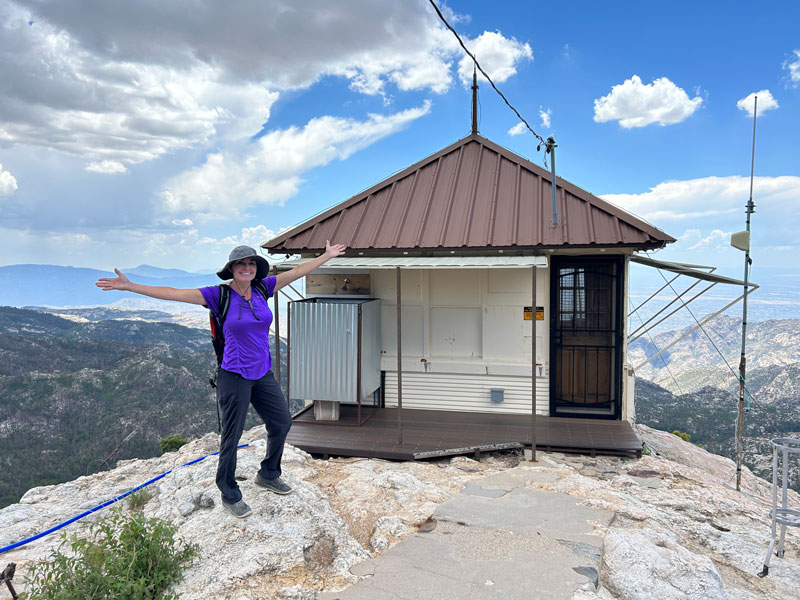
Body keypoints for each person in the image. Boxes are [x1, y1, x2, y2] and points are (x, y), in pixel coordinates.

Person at [96, 241, 346, 518]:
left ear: (256, 269)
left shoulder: (264, 288)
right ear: (231, 269)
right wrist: (131, 286)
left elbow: (299, 271)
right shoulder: (219, 295)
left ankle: (268, 474)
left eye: (251, 263)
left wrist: (326, 255)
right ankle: (229, 492)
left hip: (262, 372)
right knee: (232, 436)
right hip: (234, 375)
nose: (247, 268)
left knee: (282, 422)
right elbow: (173, 293)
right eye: (241, 264)